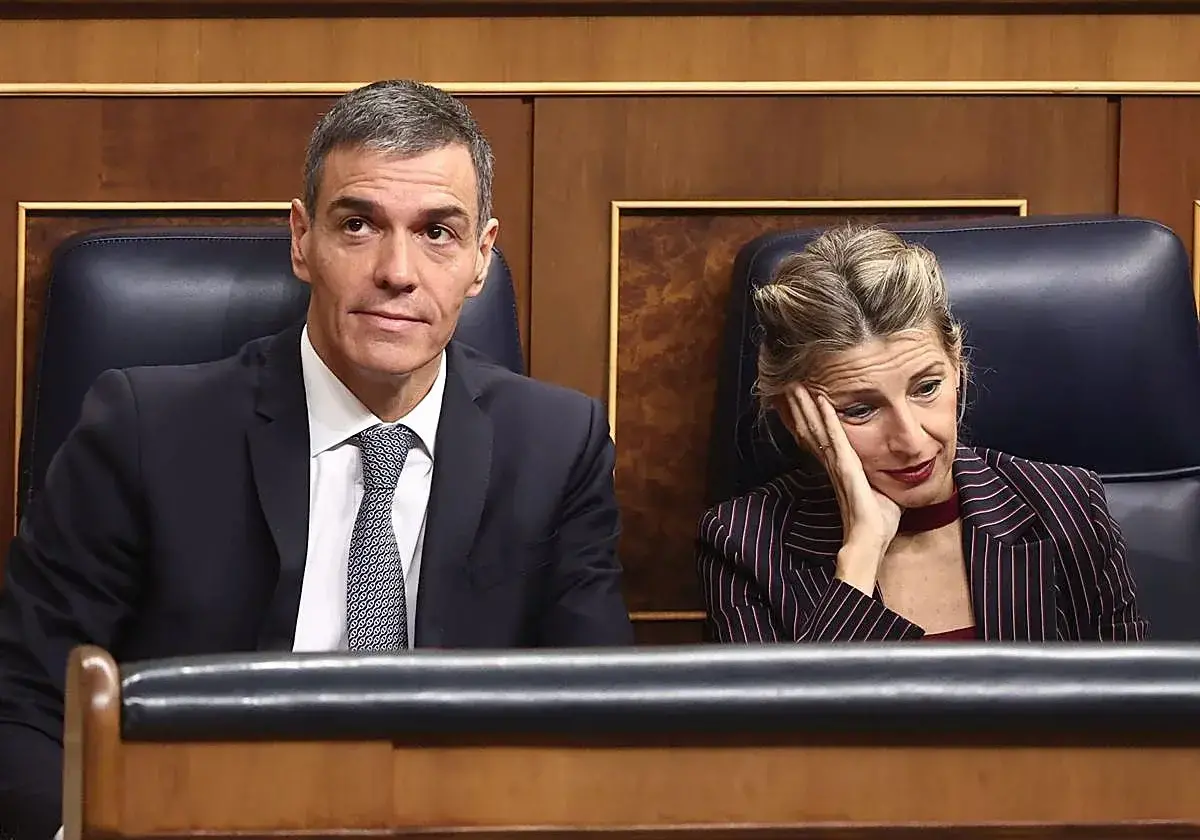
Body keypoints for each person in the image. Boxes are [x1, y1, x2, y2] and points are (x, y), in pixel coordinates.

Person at [0, 80, 633, 840]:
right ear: (302, 239)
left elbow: (600, 718)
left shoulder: (557, 445)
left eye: (438, 232)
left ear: (480, 259)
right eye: (359, 224)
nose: (398, 270)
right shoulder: (144, 431)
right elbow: (27, 700)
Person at [696, 224, 1148, 645]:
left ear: (957, 365)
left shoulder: (1066, 507)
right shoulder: (744, 545)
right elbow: (792, 729)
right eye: (860, 409)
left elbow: (1134, 719)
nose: (911, 441)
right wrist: (861, 553)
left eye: (926, 388)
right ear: (798, 416)